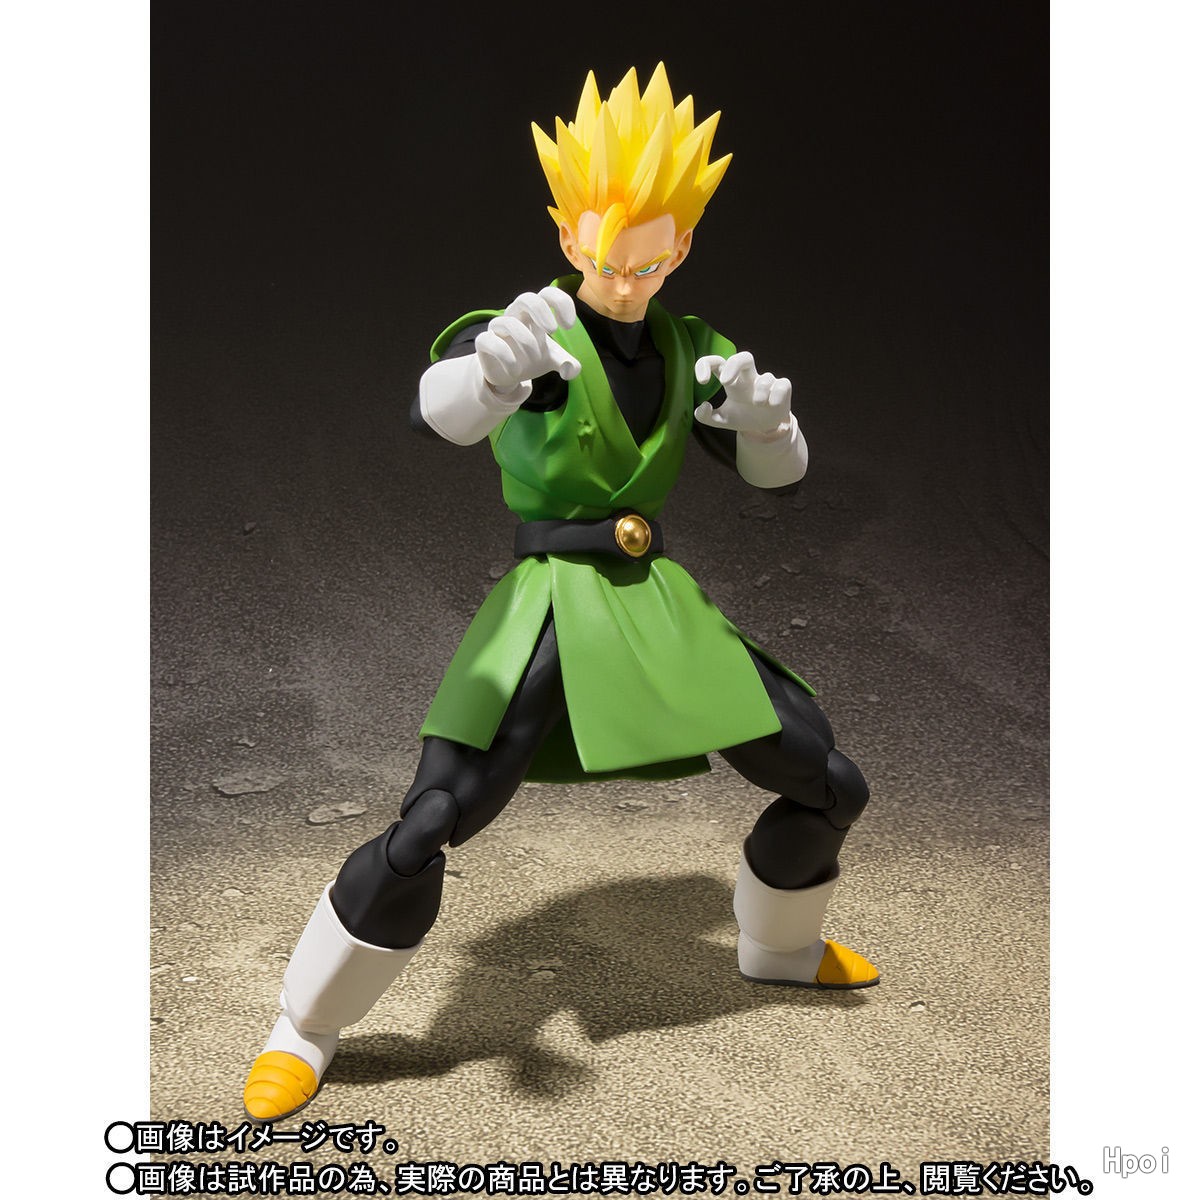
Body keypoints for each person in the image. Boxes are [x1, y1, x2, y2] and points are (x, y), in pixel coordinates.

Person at [243, 63, 878, 1123]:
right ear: (568, 236)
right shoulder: (533, 332)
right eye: (607, 259)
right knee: (433, 817)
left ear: (682, 247)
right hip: (550, 604)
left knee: (828, 779)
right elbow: (438, 410)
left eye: (649, 262)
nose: (625, 283)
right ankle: (304, 1024)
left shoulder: (694, 348)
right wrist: (491, 375)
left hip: (655, 600)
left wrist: (770, 425)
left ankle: (778, 946)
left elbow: (778, 477)